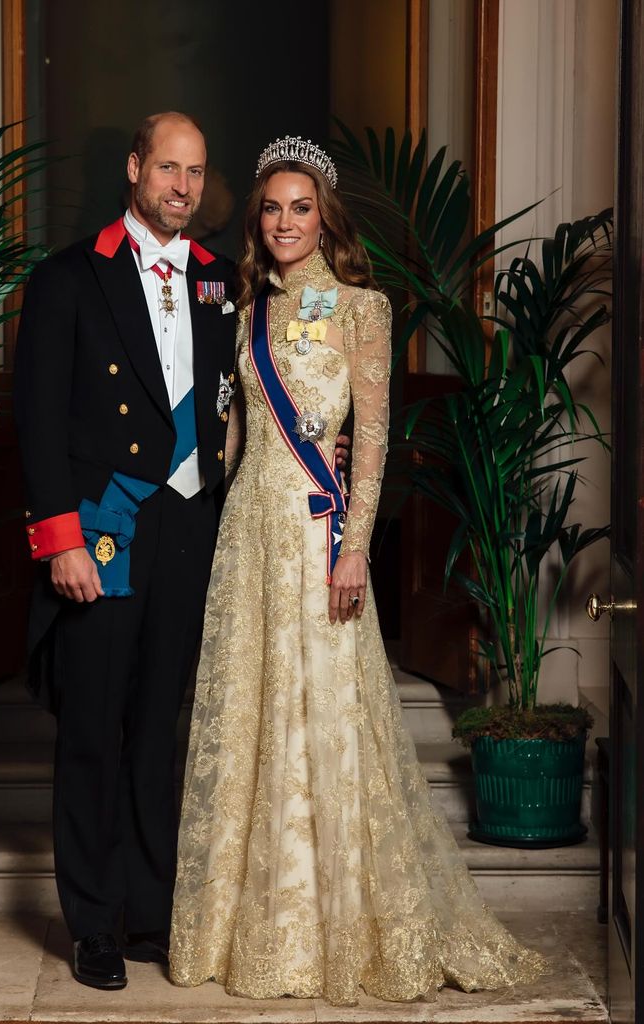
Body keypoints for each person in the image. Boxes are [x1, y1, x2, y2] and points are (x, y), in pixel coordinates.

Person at [168, 137, 549, 1007]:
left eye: (302, 207)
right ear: (257, 222)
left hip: (314, 537)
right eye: (272, 207)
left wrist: (352, 548)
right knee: (250, 711)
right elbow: (231, 442)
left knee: (326, 712)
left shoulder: (363, 309)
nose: (286, 222)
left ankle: (335, 931)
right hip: (246, 536)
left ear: (325, 217)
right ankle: (247, 930)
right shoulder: (244, 312)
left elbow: (371, 441)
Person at [13, 112, 238, 992]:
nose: (182, 186)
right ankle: (95, 925)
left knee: (157, 731)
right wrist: (60, 538)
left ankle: (149, 914)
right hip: (103, 531)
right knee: (93, 736)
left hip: (186, 533)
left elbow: (236, 402)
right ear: (137, 168)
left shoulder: (221, 281)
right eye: (168, 168)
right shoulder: (69, 277)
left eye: (196, 171)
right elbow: (37, 421)